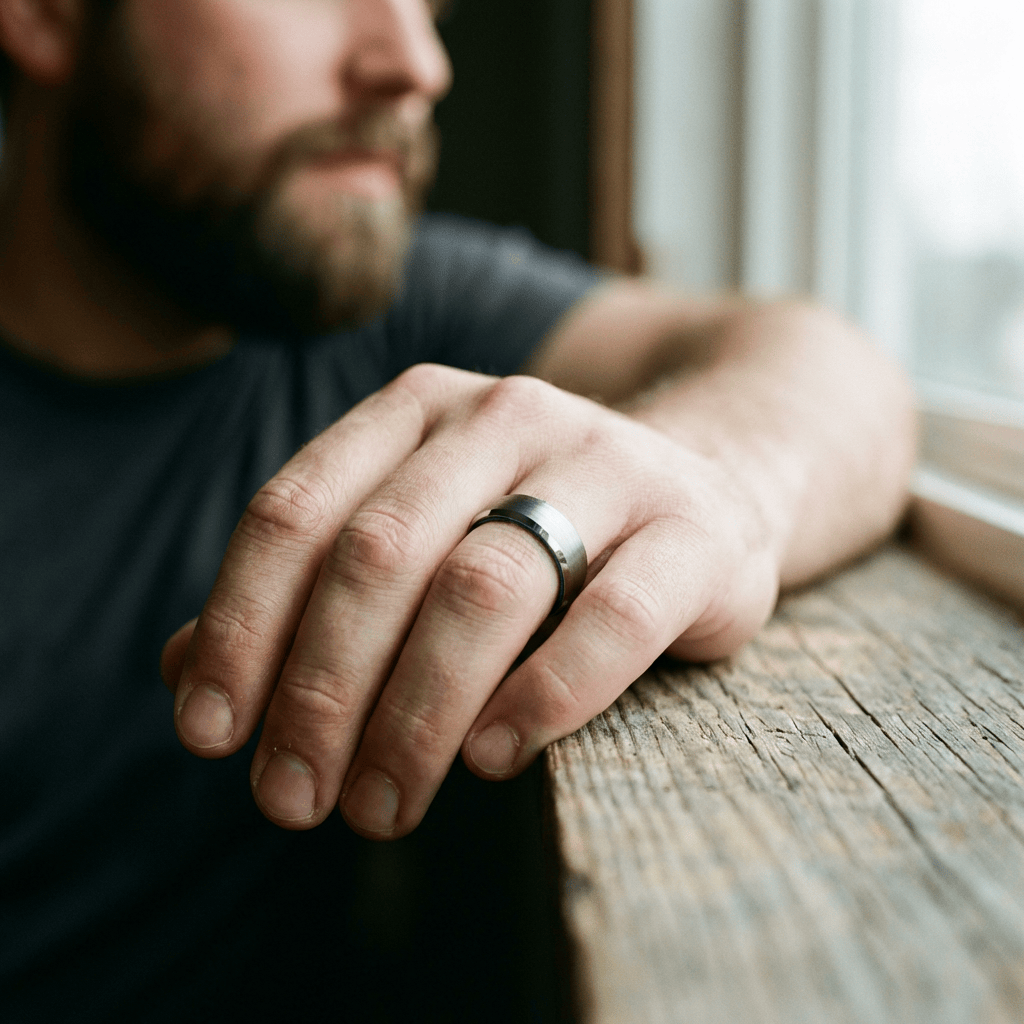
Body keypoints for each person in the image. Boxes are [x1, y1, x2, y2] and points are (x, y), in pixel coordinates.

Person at [0, 0, 915, 1020]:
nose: (416, 62)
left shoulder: (378, 308)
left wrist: (708, 485)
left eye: (427, 2)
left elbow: (825, 364)